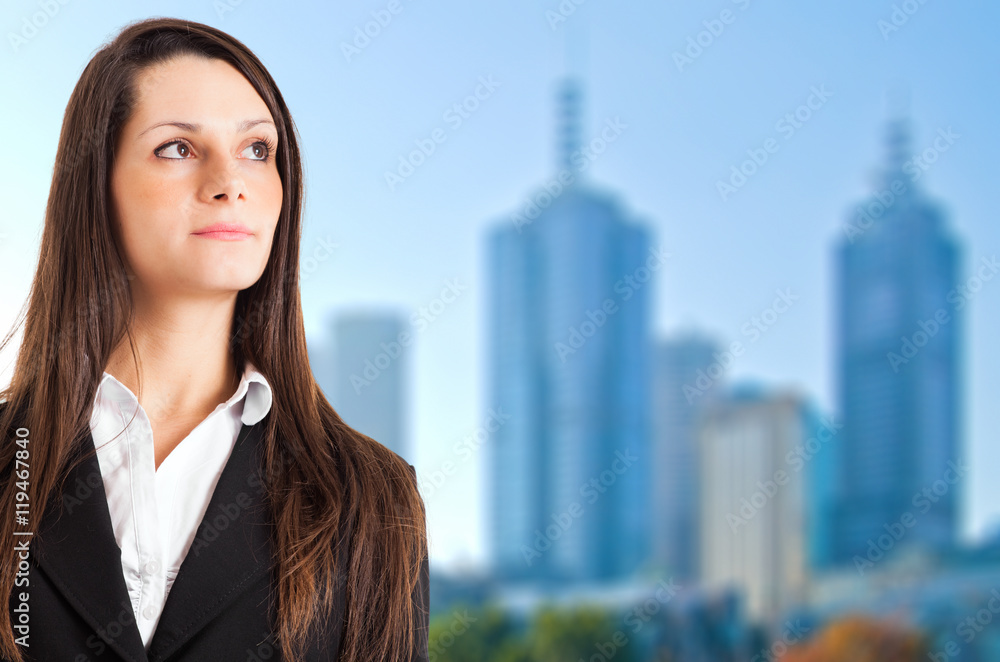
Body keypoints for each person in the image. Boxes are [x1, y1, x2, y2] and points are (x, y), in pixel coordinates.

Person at [0, 17, 429, 662]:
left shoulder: (375, 501)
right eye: (177, 147)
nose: (232, 182)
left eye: (258, 150)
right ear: (97, 185)